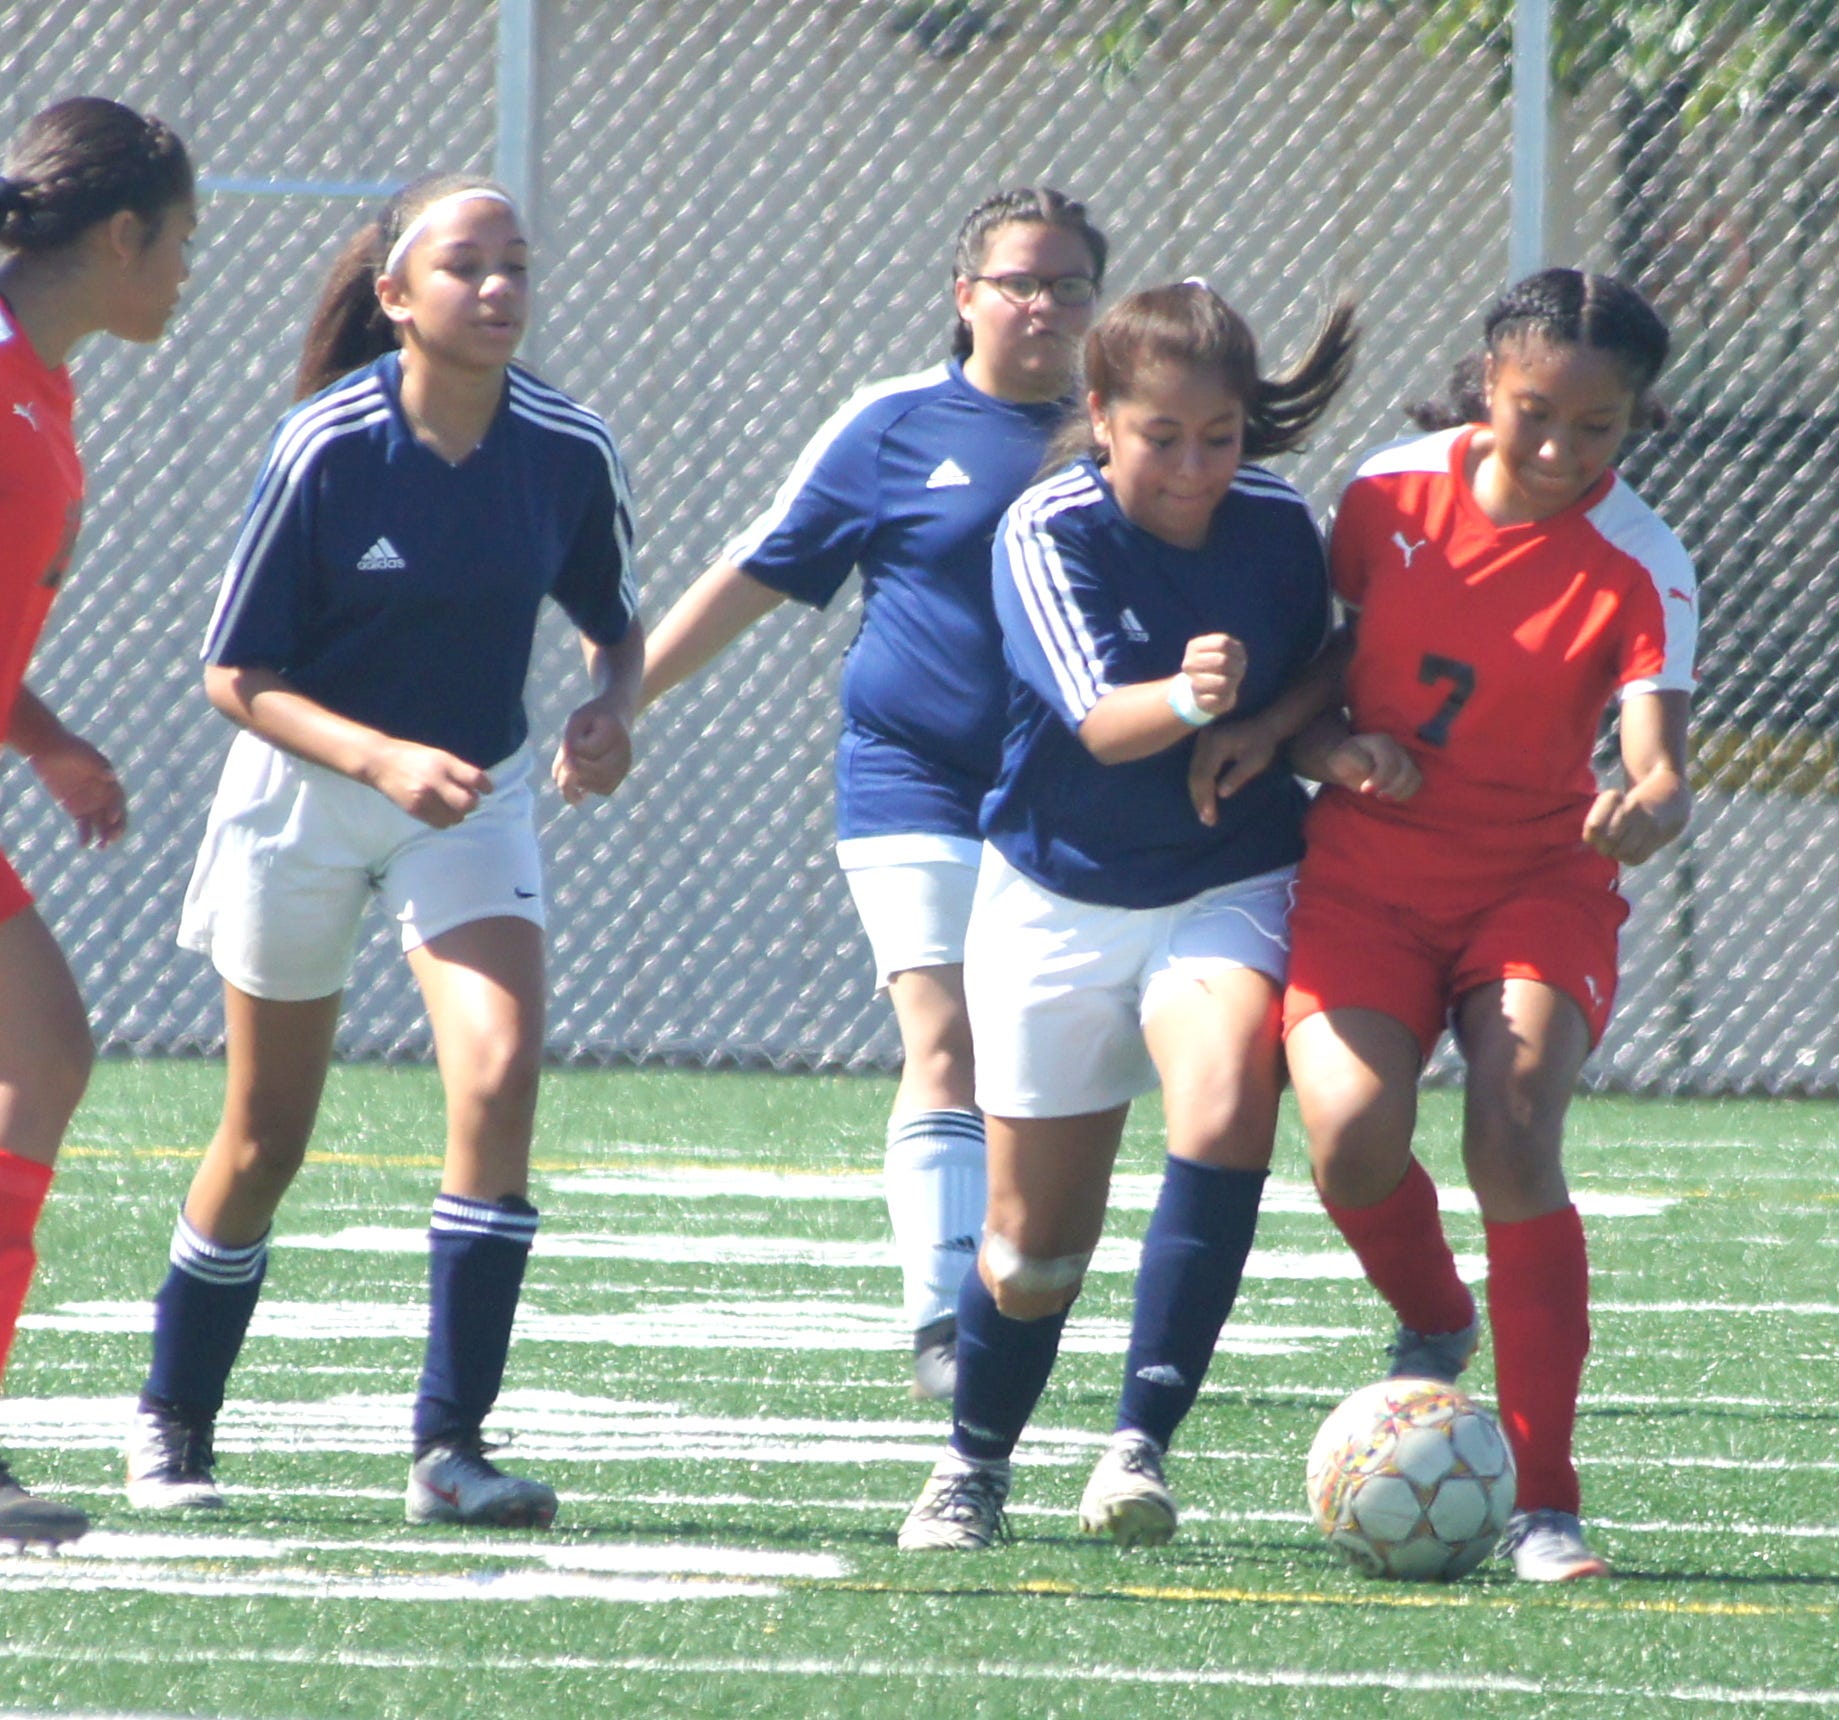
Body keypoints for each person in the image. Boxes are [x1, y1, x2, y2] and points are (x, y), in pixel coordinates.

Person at [125, 172, 643, 1528]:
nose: (498, 289)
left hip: (472, 800)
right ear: (396, 296)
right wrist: (377, 759)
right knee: (266, 1132)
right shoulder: (326, 444)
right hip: (308, 792)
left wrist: (608, 708)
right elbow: (235, 676)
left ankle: (449, 1450)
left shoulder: (567, 447)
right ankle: (173, 1419)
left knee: (498, 1069)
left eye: (517, 265)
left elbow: (614, 622)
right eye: (466, 266)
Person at [1209, 267, 1696, 1581]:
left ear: (1634, 421)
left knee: (1514, 1124)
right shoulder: (1384, 492)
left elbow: (1656, 759)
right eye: (1531, 412)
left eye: (1592, 428)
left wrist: (1643, 803)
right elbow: (1331, 654)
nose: (1555, 448)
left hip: (1536, 888)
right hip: (1367, 878)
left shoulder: (1641, 557)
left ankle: (1545, 1501)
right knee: (1351, 1143)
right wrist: (1308, 742)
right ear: (1487, 382)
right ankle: (1434, 1320)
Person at [898, 281, 1380, 1552]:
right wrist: (1187, 698)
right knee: (1031, 1247)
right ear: (1100, 416)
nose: (1193, 466)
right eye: (1162, 437)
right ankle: (973, 1464)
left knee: (1225, 1105)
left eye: (1220, 436)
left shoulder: (1277, 523)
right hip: (1054, 899)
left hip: (1228, 881)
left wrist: (1279, 732)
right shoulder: (1045, 525)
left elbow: (1346, 647)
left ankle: (1137, 1446)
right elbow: (1105, 725)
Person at [634, 188, 1107, 1399]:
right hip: (911, 779)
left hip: (1066, 800)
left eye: (1066, 283)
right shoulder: (894, 424)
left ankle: (1005, 1281)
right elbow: (760, 567)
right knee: (942, 1036)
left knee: (1032, 1061)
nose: (1043, 304)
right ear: (966, 296)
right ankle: (941, 1328)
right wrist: (619, 698)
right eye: (1018, 281)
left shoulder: (1124, 431)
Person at [0, 96, 195, 1547]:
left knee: (44, 1055)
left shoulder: (41, 385)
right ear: (121, 232)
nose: (185, 273)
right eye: (178, 244)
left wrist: (49, 739)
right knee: (41, 1054)